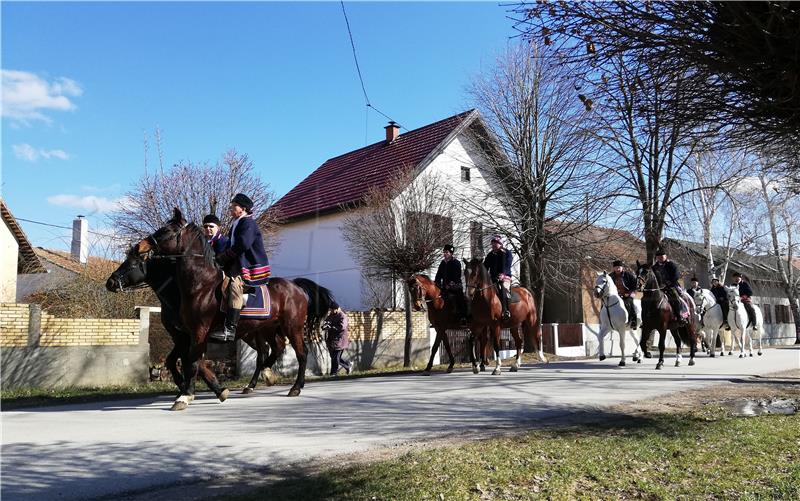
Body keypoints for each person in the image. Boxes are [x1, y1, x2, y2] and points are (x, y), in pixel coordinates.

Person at [211, 193, 270, 342]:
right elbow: (229, 244)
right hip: (236, 265)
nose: (231, 209)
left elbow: (243, 245)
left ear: (243, 208)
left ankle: (230, 329)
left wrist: (224, 256)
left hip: (250, 266)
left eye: (233, 207)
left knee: (235, 286)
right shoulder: (236, 223)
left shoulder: (249, 223)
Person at [434, 244, 468, 326]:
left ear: (451, 253)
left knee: (460, 299)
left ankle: (463, 317)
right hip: (445, 287)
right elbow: (438, 275)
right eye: (444, 252)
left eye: (447, 252)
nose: (445, 254)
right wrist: (436, 283)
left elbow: (457, 276)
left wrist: (450, 284)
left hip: (456, 286)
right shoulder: (442, 263)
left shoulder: (456, 263)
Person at [651, 248, 689, 321]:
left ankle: (680, 315)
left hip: (671, 286)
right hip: (658, 287)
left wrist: (669, 283)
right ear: (656, 258)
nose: (660, 258)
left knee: (676, 297)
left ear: (665, 256)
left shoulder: (671, 265)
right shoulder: (654, 267)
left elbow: (676, 275)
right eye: (658, 257)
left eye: (662, 256)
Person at [483, 234, 513, 320]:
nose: (493, 245)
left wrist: (503, 274)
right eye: (492, 243)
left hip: (505, 278)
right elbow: (485, 267)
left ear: (501, 244)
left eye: (496, 243)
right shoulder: (490, 255)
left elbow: (508, 265)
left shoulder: (507, 253)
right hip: (492, 279)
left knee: (503, 288)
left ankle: (506, 311)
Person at [323, 302, 352, 375]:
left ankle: (334, 373)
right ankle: (348, 366)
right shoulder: (332, 314)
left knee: (336, 358)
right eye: (330, 310)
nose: (331, 311)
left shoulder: (342, 316)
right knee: (334, 357)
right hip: (331, 340)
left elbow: (342, 327)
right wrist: (326, 325)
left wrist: (332, 327)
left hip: (340, 340)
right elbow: (327, 320)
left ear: (336, 309)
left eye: (332, 310)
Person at [609, 260, 638, 329]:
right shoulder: (610, 276)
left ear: (622, 268)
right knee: (605, 304)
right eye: (616, 267)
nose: (618, 269)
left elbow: (635, 285)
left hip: (628, 294)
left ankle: (633, 321)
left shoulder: (628, 275)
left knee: (629, 303)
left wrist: (629, 293)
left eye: (619, 267)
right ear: (613, 268)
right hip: (615, 295)